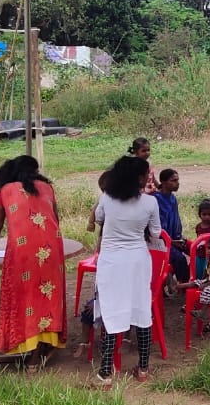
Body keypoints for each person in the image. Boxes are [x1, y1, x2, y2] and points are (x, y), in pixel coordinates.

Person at [0, 155, 67, 365]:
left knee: (26, 297)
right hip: (52, 248)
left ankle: (31, 350)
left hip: (23, 250)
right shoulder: (47, 188)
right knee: (48, 296)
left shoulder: (3, 191)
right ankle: (44, 346)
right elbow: (55, 219)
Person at [92, 155, 162, 388]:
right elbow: (155, 233)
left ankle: (105, 374)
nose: (148, 178)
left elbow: (100, 218)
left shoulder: (107, 198)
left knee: (111, 313)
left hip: (111, 262)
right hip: (138, 261)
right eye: (146, 175)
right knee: (142, 312)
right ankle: (142, 369)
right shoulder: (150, 203)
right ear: (139, 178)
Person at [177, 235, 210, 331]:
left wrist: (206, 284)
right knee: (195, 283)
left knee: (207, 289)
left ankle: (202, 312)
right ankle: (178, 287)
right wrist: (202, 281)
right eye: (209, 248)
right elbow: (206, 273)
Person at [154, 169, 190, 288]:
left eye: (177, 180)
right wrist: (172, 242)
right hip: (161, 243)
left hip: (175, 239)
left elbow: (175, 221)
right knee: (180, 259)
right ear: (163, 182)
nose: (177, 183)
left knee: (198, 249)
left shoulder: (172, 198)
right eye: (173, 180)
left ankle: (197, 281)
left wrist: (179, 237)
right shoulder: (156, 200)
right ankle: (184, 286)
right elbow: (156, 229)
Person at [193, 199, 210, 278]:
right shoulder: (198, 227)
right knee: (198, 272)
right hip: (200, 254)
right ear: (200, 215)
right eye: (204, 214)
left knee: (208, 273)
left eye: (209, 214)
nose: (207, 217)